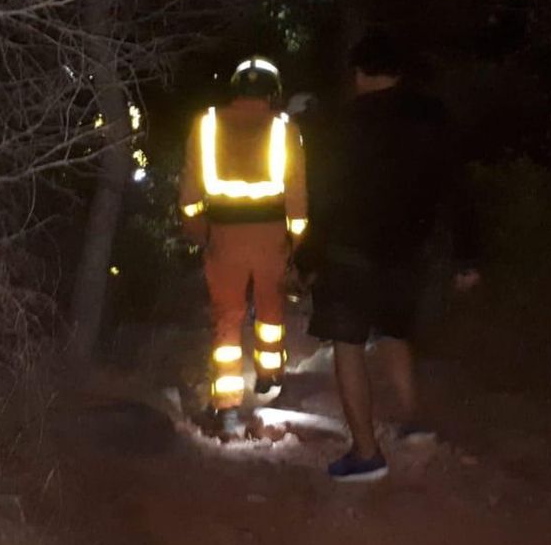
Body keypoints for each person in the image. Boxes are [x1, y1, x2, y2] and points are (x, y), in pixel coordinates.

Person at [297, 29, 479, 481]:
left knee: (349, 344)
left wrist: (308, 259)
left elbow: (323, 198)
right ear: (399, 73)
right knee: (397, 333)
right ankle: (414, 421)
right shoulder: (432, 117)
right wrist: (468, 254)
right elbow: (457, 186)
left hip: (349, 252)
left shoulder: (341, 124)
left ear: (360, 73)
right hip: (407, 252)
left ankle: (366, 453)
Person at [179, 56, 309, 435]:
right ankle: (270, 377)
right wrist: (296, 241)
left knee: (226, 319)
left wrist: (199, 233)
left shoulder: (206, 126)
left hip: (222, 235)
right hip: (272, 236)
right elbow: (297, 190)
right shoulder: (284, 128)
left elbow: (189, 191)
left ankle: (227, 408)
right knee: (272, 306)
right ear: (273, 92)